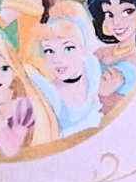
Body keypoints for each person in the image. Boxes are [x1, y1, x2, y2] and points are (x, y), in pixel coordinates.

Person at [29, 7, 105, 137]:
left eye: (68, 48)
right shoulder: (49, 94)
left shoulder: (91, 67)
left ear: (83, 48)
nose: (57, 59)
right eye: (49, 51)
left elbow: (95, 103)